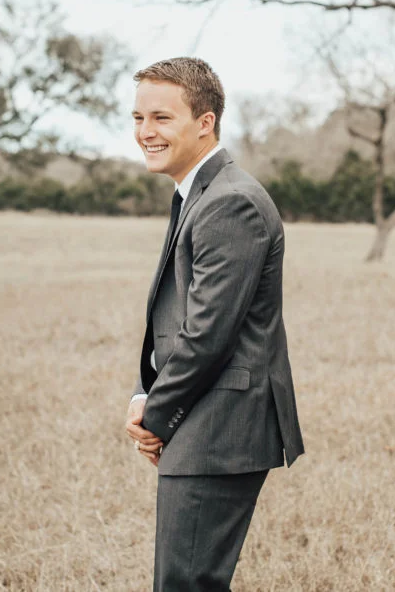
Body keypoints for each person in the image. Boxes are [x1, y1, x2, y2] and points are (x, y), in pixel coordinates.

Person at [125, 58, 304, 591]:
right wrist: (144, 393)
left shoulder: (231, 202)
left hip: (220, 425)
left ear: (205, 122)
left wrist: (156, 416)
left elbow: (207, 336)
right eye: (138, 118)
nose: (145, 132)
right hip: (202, 415)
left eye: (161, 117)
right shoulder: (198, 192)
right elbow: (178, 320)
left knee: (186, 584)